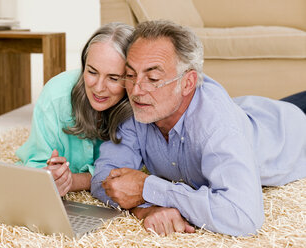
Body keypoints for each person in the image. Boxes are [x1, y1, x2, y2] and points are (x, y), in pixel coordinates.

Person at [91, 20, 306, 237]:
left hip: (292, 129)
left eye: (153, 78)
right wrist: (146, 209)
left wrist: (149, 187)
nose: (136, 90)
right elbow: (104, 178)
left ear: (187, 83)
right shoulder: (140, 107)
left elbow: (244, 217)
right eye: (130, 74)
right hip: (250, 109)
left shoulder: (217, 127)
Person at [16, 22, 134, 196]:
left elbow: (127, 174)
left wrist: (74, 181)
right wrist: (50, 175)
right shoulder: (55, 96)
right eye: (92, 72)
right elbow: (35, 164)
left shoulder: (138, 102)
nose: (99, 87)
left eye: (113, 78)